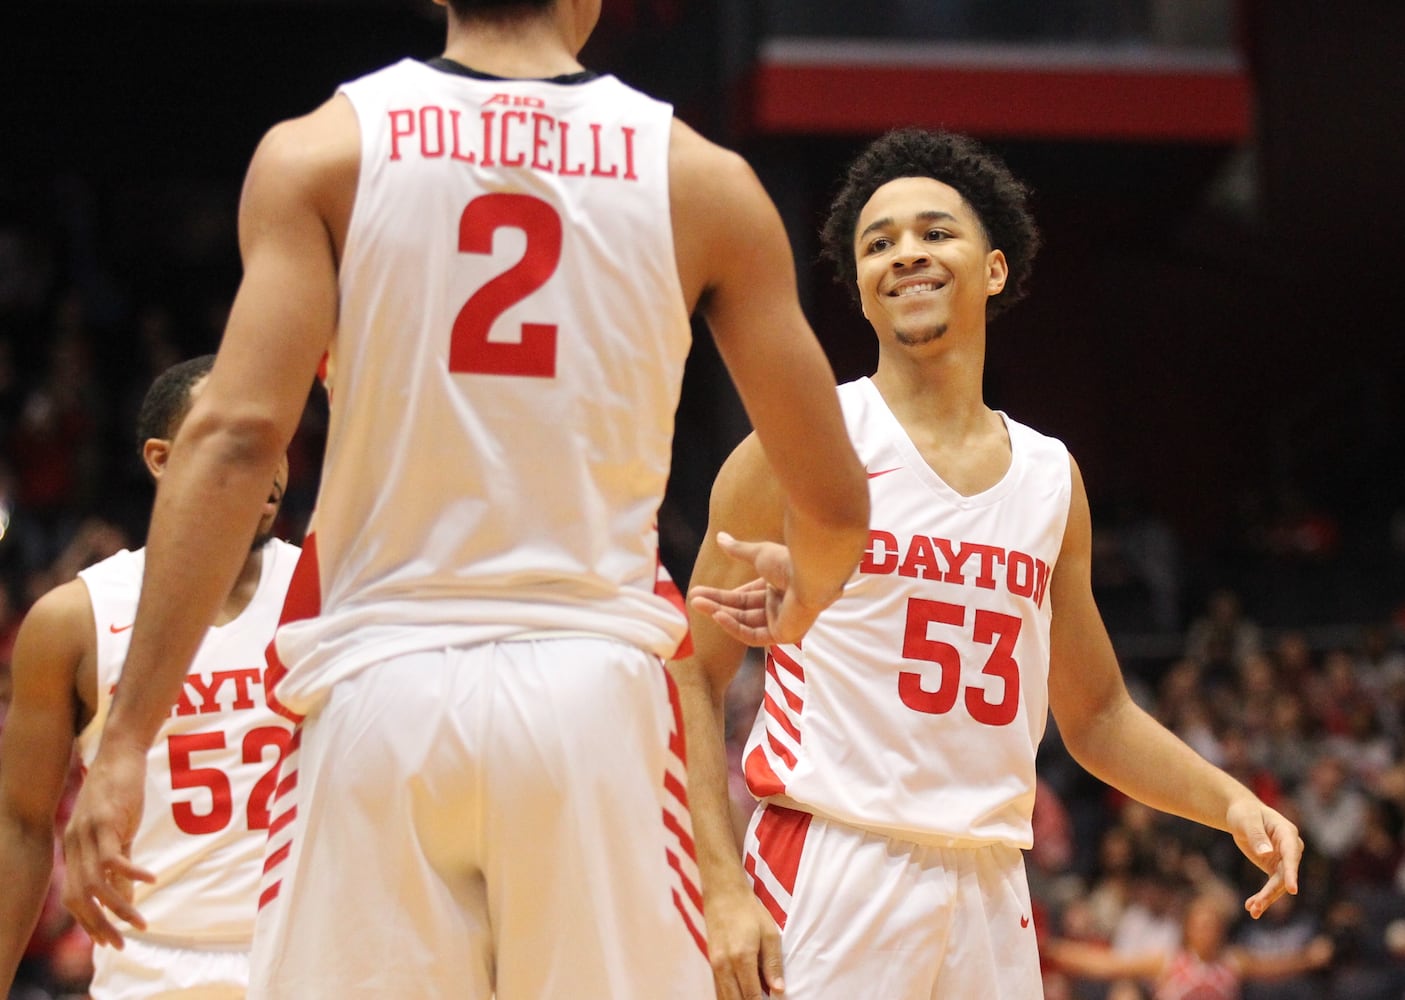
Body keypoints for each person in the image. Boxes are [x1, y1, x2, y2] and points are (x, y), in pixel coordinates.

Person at [61, 1, 870, 998]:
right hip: (590, 693)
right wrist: (807, 593)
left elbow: (232, 440)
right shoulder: (700, 178)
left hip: (377, 689)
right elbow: (832, 501)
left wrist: (128, 738)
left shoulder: (321, 152)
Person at [676, 128, 1305, 1000]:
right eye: (878, 241)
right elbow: (690, 675)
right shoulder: (800, 445)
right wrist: (716, 887)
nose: (905, 254)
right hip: (829, 864)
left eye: (934, 232)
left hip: (989, 884)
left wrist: (1228, 801)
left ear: (995, 268)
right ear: (858, 289)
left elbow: (1097, 717)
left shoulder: (1051, 479)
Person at [0, 354, 298, 998]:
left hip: (318, 956)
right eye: (239, 442)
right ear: (161, 459)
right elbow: (20, 824)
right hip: (152, 968)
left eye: (277, 444)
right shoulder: (72, 620)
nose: (269, 469)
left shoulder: (333, 592)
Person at [1043, 891, 1333, 1000]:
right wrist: (1052, 949)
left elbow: (1273, 968)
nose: (1207, 930)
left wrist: (1308, 959)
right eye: (1201, 923)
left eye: (1213, 924)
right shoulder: (1168, 961)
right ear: (1189, 928)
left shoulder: (1233, 961)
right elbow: (1109, 964)